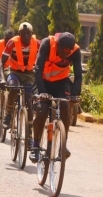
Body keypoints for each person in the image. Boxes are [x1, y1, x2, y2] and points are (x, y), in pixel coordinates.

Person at [29, 32, 82, 162]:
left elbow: (79, 75)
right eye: (63, 52)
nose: (65, 55)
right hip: (43, 81)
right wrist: (42, 92)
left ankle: (63, 145)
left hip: (61, 82)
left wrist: (74, 95)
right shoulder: (47, 43)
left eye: (68, 53)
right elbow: (38, 68)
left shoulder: (75, 51)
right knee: (42, 110)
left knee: (64, 105)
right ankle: (35, 146)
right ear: (57, 45)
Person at [0, 22, 40, 134]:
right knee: (14, 88)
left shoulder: (37, 44)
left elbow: (42, 61)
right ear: (19, 33)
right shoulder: (12, 42)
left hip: (29, 74)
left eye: (28, 33)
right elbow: (1, 62)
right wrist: (2, 78)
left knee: (29, 100)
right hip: (14, 72)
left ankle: (30, 134)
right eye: (23, 33)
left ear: (32, 34)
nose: (26, 35)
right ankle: (8, 113)